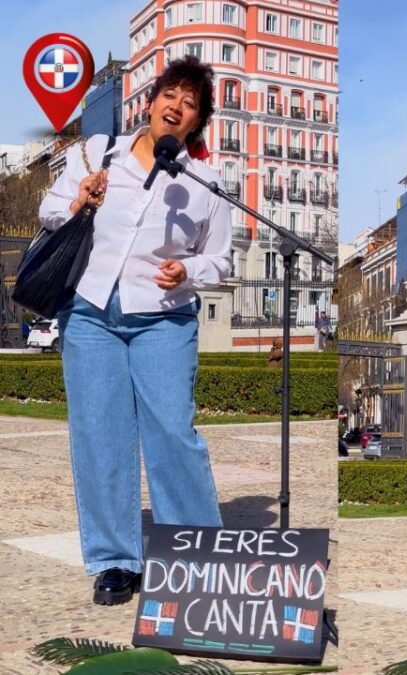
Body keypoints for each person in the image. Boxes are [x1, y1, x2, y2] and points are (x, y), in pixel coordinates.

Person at [40, 56, 231, 606]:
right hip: (91, 311)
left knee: (173, 433)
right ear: (149, 103)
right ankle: (116, 560)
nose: (176, 106)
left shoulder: (207, 183)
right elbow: (50, 210)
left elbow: (219, 259)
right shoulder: (99, 152)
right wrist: (80, 199)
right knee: (99, 436)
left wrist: (187, 270)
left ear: (196, 123)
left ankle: (195, 555)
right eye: (169, 94)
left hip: (164, 316)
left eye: (190, 103)